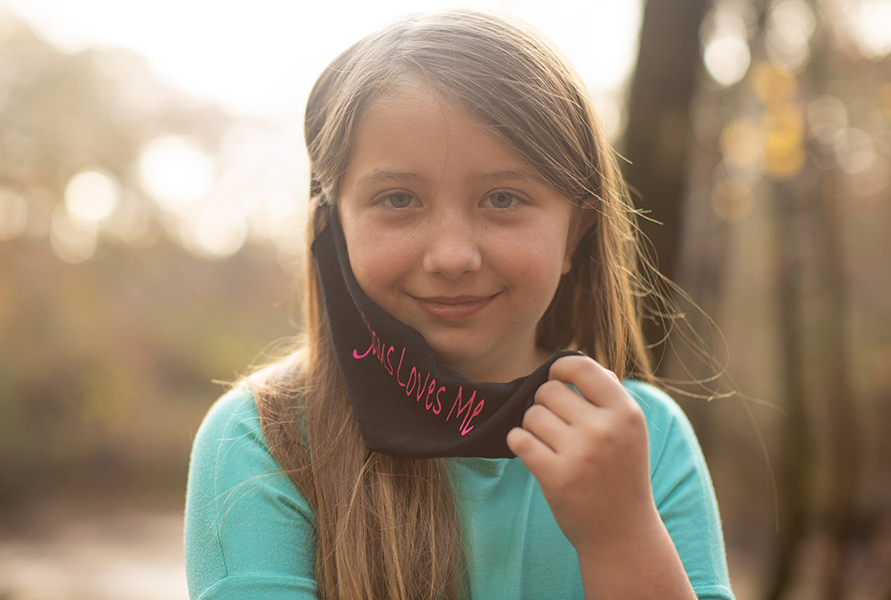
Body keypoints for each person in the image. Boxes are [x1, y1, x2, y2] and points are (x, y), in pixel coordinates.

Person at [184, 10, 734, 600]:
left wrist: (621, 536)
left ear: (575, 234)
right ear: (335, 226)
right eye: (399, 198)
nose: (451, 256)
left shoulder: (641, 439)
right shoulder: (264, 438)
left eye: (503, 198)